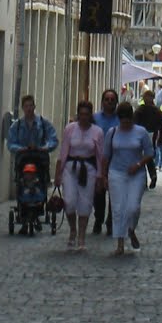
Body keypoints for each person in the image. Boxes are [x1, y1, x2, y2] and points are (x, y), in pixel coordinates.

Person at [100, 101, 153, 255]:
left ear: (132, 118)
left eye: (127, 120)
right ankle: (120, 244)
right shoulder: (112, 132)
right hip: (116, 173)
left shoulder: (141, 132)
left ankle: (131, 229)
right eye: (122, 120)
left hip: (136, 174)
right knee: (118, 209)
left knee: (133, 207)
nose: (125, 123)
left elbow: (149, 153)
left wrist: (138, 164)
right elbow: (105, 156)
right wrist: (103, 176)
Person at [54, 100, 105, 252]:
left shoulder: (97, 132)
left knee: (85, 203)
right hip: (70, 168)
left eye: (86, 114)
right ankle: (72, 230)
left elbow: (99, 155)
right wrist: (58, 173)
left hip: (88, 170)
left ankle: (81, 236)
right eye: (81, 114)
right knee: (69, 201)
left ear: (90, 115)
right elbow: (63, 152)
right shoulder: (70, 129)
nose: (83, 117)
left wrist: (100, 176)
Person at [6, 94, 58, 193]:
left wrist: (45, 148)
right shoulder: (16, 125)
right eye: (26, 106)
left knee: (43, 169)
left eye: (31, 105)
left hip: (39, 156)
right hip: (24, 156)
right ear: (23, 108)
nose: (29, 108)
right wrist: (20, 149)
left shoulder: (43, 123)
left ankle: (43, 186)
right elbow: (10, 143)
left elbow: (53, 139)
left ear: (34, 106)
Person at [92, 88, 120, 234]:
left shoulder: (120, 119)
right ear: (102, 102)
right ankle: (98, 218)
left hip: (115, 159)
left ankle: (110, 221)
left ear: (116, 102)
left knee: (114, 192)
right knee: (98, 192)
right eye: (107, 99)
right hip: (97, 158)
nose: (109, 102)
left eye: (112, 100)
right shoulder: (95, 118)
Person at [134, 90, 162, 184]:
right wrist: (160, 139)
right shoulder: (157, 111)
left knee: (142, 156)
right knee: (148, 156)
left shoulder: (140, 110)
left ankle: (146, 178)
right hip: (151, 135)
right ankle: (152, 175)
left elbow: (134, 122)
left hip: (143, 135)